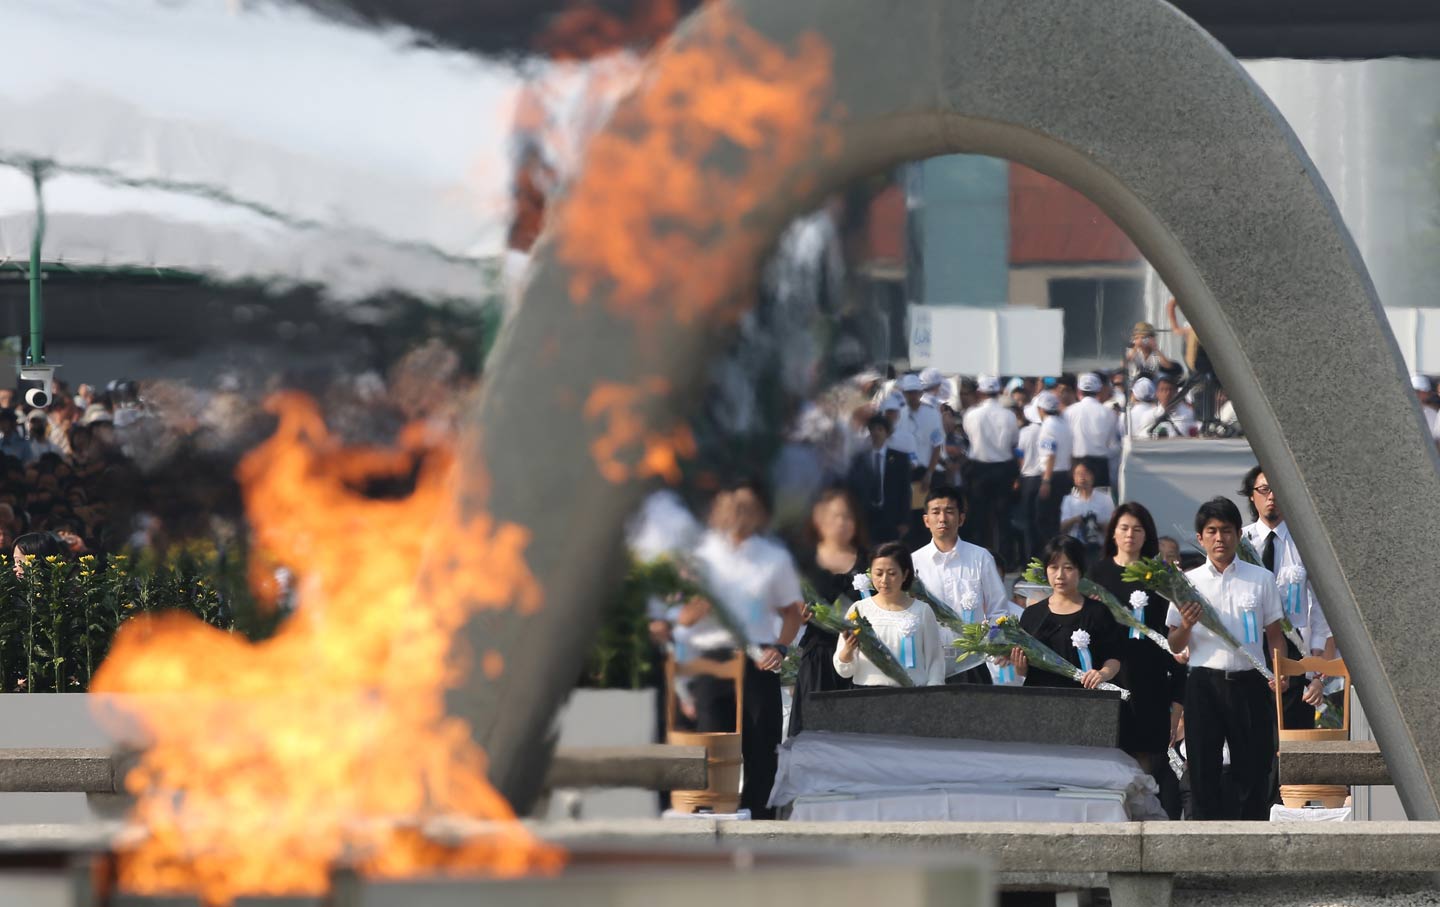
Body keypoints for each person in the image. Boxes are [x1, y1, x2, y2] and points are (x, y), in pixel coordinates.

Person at [680, 479, 805, 818]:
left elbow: (792, 612)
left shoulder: (773, 558)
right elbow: (684, 617)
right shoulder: (701, 556)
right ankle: (709, 817)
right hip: (712, 659)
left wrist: (781, 647)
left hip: (757, 659)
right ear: (718, 511)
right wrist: (703, 602)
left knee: (761, 747)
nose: (739, 515)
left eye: (747, 508)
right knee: (710, 745)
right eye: (732, 507)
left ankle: (759, 821)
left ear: (760, 514)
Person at [1167, 497, 1288, 820]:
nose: (1220, 538)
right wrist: (1188, 624)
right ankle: (1206, 841)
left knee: (1253, 765)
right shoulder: (1188, 583)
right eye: (1212, 531)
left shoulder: (1260, 579)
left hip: (1249, 681)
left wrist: (1280, 671)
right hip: (1204, 684)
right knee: (1203, 766)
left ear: (1238, 535)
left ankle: (1252, 838)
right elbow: (1174, 641)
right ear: (1200, 537)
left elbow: (1274, 634)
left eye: (1227, 530)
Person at [1089, 503, 1187, 818]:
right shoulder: (1097, 574)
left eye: (1138, 529)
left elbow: (1170, 637)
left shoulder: (1158, 576)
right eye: (1124, 528)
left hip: (1150, 677)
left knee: (1149, 762)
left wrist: (1176, 701)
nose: (1130, 535)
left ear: (1148, 535)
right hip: (1110, 678)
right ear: (1113, 532)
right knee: (1111, 758)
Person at [1239, 466, 1334, 730]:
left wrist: (1317, 665)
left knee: (1291, 736)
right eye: (1264, 489)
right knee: (1252, 733)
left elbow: (1322, 608)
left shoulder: (1305, 543)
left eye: (1278, 489)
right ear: (1251, 496)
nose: (1272, 496)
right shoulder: (1240, 542)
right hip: (1250, 645)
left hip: (1295, 650)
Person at [912, 486, 1010, 685]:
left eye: (949, 511)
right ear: (926, 520)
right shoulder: (914, 562)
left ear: (961, 518)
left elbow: (997, 608)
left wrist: (998, 643)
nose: (942, 518)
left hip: (971, 664)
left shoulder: (981, 557)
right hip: (927, 664)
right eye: (936, 512)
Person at [790, 489, 865, 736]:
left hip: (857, 655)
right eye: (835, 516)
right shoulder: (803, 561)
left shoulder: (869, 560)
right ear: (819, 520)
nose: (842, 523)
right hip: (817, 656)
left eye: (848, 517)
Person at [1008, 535, 1123, 691]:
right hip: (1040, 700)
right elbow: (1023, 670)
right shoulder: (1032, 614)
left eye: (1068, 568)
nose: (1060, 575)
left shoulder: (1097, 612)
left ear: (1080, 571)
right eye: (1053, 567)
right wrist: (1019, 665)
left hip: (1086, 699)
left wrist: (1102, 674)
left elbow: (1114, 657)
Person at [834, 543, 946, 687]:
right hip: (867, 696)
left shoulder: (922, 611)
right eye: (879, 573)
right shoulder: (858, 610)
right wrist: (848, 650)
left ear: (905, 574)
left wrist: (933, 692)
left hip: (912, 695)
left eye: (892, 573)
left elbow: (935, 660)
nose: (884, 580)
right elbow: (844, 670)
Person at [960, 375, 1018, 557]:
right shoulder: (1008, 415)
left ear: (979, 393)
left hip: (979, 468)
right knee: (1003, 516)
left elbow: (968, 437)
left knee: (978, 515)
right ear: (998, 391)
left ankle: (975, 555)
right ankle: (1007, 557)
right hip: (1003, 468)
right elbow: (1014, 441)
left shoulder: (971, 414)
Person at [845, 416, 911, 546]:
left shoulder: (899, 458)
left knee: (890, 551)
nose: (876, 433)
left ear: (887, 433)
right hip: (867, 515)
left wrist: (904, 520)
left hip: (891, 515)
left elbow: (905, 490)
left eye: (880, 429)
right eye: (873, 429)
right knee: (867, 552)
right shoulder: (859, 459)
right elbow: (853, 489)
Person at [1031, 391, 1073, 549]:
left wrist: (1046, 481)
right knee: (1058, 517)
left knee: (1043, 519)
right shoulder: (1064, 425)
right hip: (1065, 475)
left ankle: (1051, 551)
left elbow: (1050, 454)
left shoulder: (1048, 427)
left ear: (1041, 409)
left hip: (1052, 476)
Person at [1065, 373, 1118, 487]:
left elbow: (1066, 441)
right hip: (1100, 464)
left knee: (1077, 500)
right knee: (1101, 501)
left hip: (1076, 464)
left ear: (1079, 390)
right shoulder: (1108, 413)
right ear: (1099, 390)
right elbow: (1112, 444)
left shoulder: (1069, 411)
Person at [1059, 462, 1113, 561]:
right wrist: (1076, 519)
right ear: (1074, 478)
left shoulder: (1105, 499)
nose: (1082, 477)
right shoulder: (1068, 500)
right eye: (1078, 474)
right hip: (1075, 546)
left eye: (1085, 473)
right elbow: (1062, 528)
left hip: (1098, 547)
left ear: (1092, 476)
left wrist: (1095, 523)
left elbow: (1112, 528)